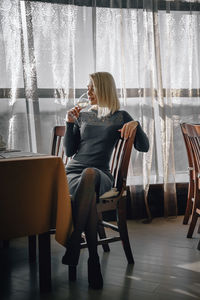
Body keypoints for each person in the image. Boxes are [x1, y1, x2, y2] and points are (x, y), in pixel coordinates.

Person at [62, 72, 149, 289]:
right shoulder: (82, 115)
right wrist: (69, 123)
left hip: (100, 174)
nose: (88, 91)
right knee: (87, 194)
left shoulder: (121, 116)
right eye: (87, 87)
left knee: (90, 175)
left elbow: (144, 146)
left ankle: (75, 242)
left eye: (92, 87)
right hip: (72, 173)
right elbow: (70, 151)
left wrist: (136, 124)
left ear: (104, 89)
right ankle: (93, 259)